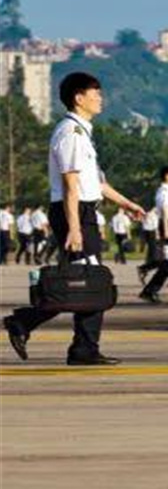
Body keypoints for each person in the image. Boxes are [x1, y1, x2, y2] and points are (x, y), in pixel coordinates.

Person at [5, 71, 148, 365]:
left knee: (82, 281)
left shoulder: (82, 133)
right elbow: (71, 184)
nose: (100, 98)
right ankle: (79, 346)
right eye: (95, 93)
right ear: (78, 98)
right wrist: (74, 228)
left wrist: (128, 203)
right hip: (75, 213)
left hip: (83, 210)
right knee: (91, 281)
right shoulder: (70, 133)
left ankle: (33, 326)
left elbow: (96, 183)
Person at [137, 168, 168, 303]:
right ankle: (150, 288)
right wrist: (167, 229)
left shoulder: (167, 191)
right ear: (167, 176)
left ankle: (148, 271)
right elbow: (165, 211)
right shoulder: (164, 192)